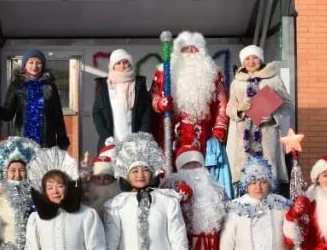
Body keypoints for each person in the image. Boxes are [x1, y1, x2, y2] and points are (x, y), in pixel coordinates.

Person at [150, 31, 229, 159]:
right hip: (172, 130)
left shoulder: (214, 74)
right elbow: (154, 95)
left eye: (194, 48)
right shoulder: (163, 73)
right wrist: (159, 103)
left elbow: (222, 103)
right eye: (185, 49)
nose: (190, 52)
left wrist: (220, 127)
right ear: (178, 52)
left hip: (203, 132)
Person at [226, 45, 292, 185]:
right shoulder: (237, 83)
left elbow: (288, 105)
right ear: (243, 62)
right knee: (245, 174)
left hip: (267, 136)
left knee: (269, 173)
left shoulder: (273, 79)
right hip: (244, 138)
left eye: (255, 57)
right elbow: (229, 109)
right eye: (247, 59)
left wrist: (274, 117)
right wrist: (239, 109)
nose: (251, 62)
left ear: (261, 60)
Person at [0, 50, 69, 149]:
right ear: (25, 65)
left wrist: (62, 137)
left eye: (38, 63)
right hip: (23, 139)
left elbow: (57, 114)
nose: (35, 66)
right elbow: (8, 114)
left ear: (43, 65)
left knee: (44, 164)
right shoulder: (17, 85)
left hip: (46, 140)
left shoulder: (50, 86)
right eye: (31, 62)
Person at [92, 49, 151, 151]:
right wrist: (106, 136)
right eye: (118, 63)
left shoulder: (139, 85)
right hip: (111, 142)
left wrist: (143, 134)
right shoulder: (105, 86)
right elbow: (97, 113)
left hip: (135, 143)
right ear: (112, 66)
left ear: (130, 64)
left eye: (125, 62)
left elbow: (146, 110)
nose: (122, 66)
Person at [80, 138, 120, 214]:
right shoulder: (85, 201)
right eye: (98, 178)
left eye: (107, 178)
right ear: (92, 179)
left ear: (113, 180)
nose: (102, 182)